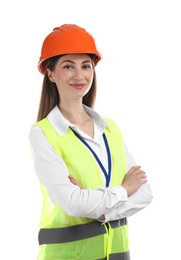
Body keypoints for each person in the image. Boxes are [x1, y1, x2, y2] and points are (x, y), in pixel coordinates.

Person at [29, 24, 153, 260]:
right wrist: (125, 189)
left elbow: (145, 193)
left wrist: (99, 209)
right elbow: (74, 204)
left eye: (86, 66)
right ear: (50, 73)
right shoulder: (43, 133)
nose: (79, 75)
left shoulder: (110, 129)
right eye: (68, 66)